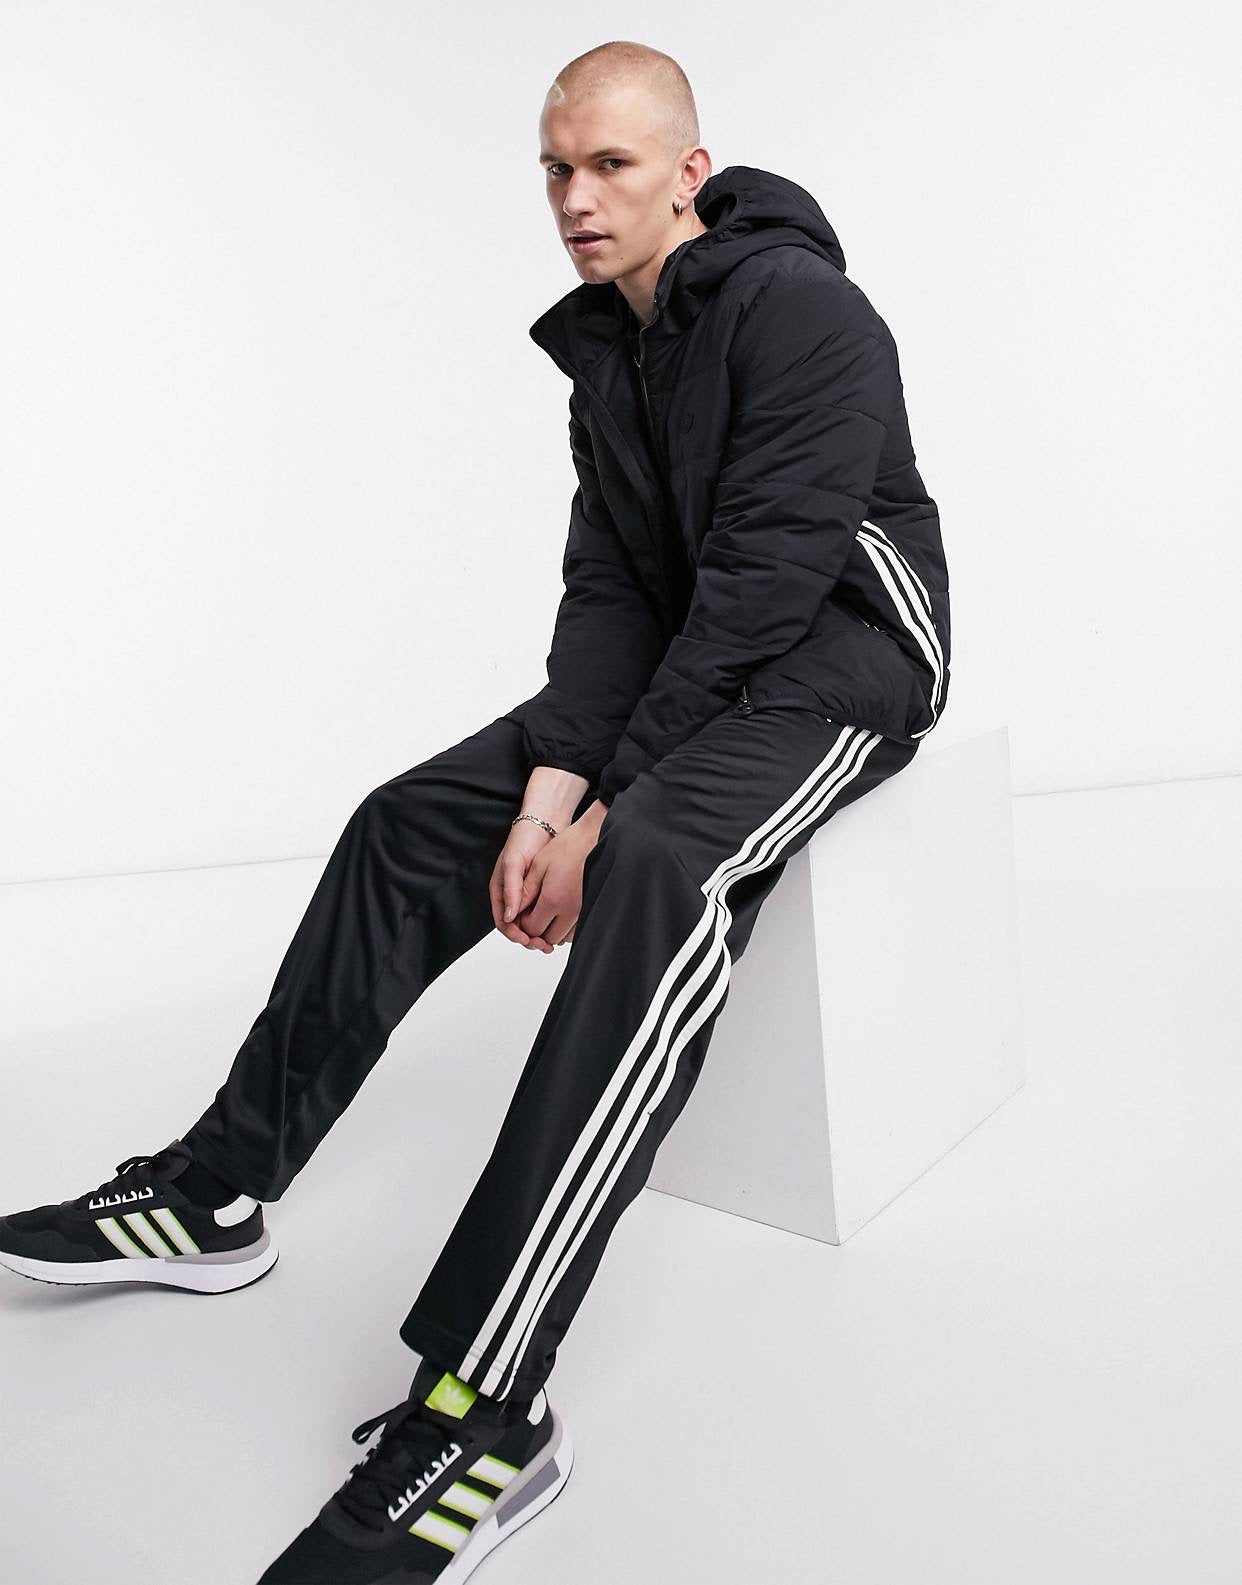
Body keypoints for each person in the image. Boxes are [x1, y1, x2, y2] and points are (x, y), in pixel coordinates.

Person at [0, 38, 951, 1584]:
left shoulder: (802, 311)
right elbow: (614, 589)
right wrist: (545, 790)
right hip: (700, 654)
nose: (576, 198)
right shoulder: (609, 346)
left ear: (688, 173)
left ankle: (487, 1402)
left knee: (658, 866)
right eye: (555, 169)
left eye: (610, 165)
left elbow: (765, 587)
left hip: (840, 659)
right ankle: (217, 1188)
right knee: (408, 822)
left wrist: (605, 814)